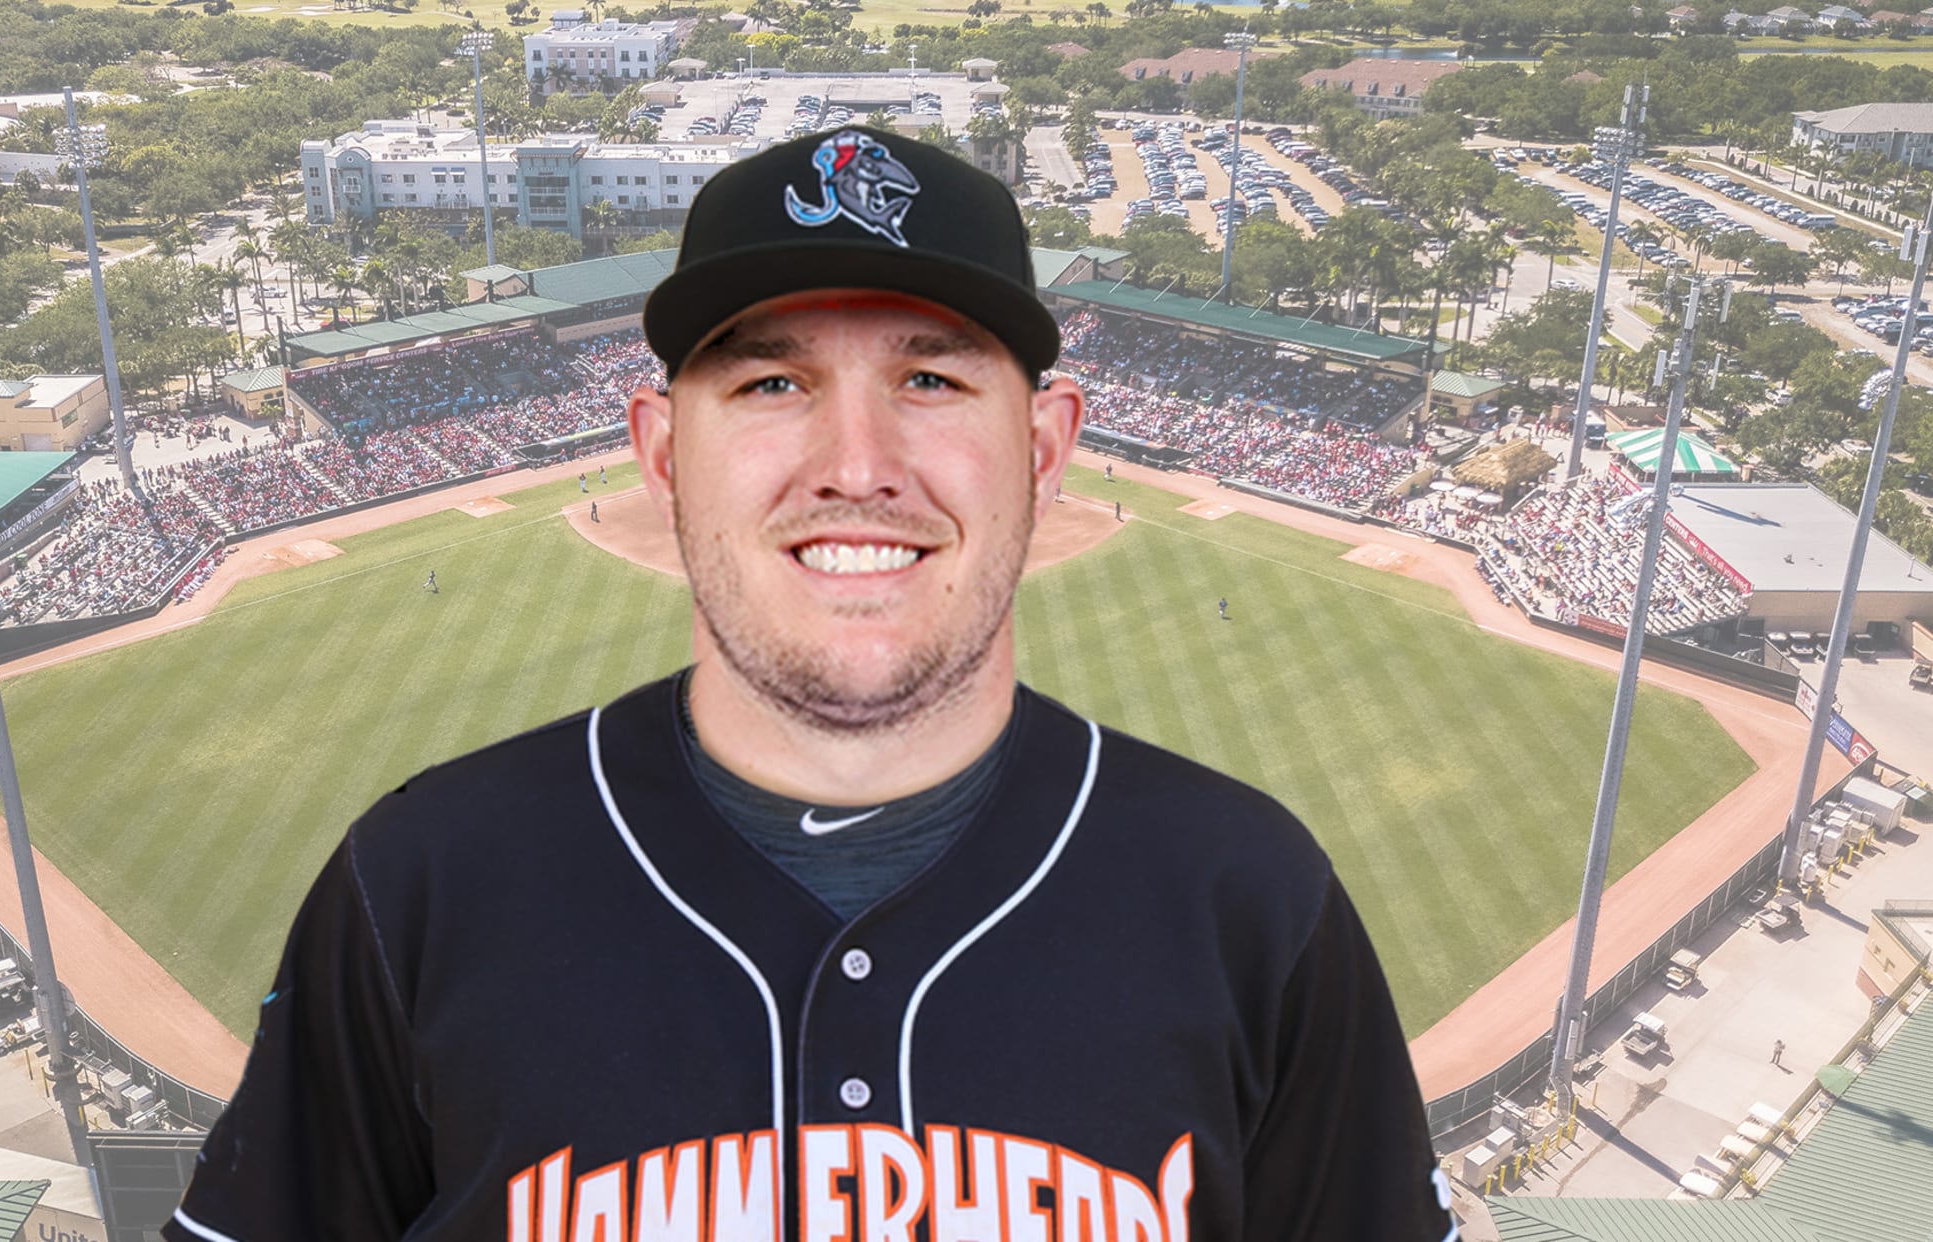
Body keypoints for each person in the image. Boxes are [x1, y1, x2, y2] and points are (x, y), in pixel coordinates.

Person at [167, 126, 1453, 1242]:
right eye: (772, 381)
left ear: (1043, 447)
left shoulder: (1256, 903)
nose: (856, 463)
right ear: (662, 453)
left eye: (932, 379)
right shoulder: (415, 887)